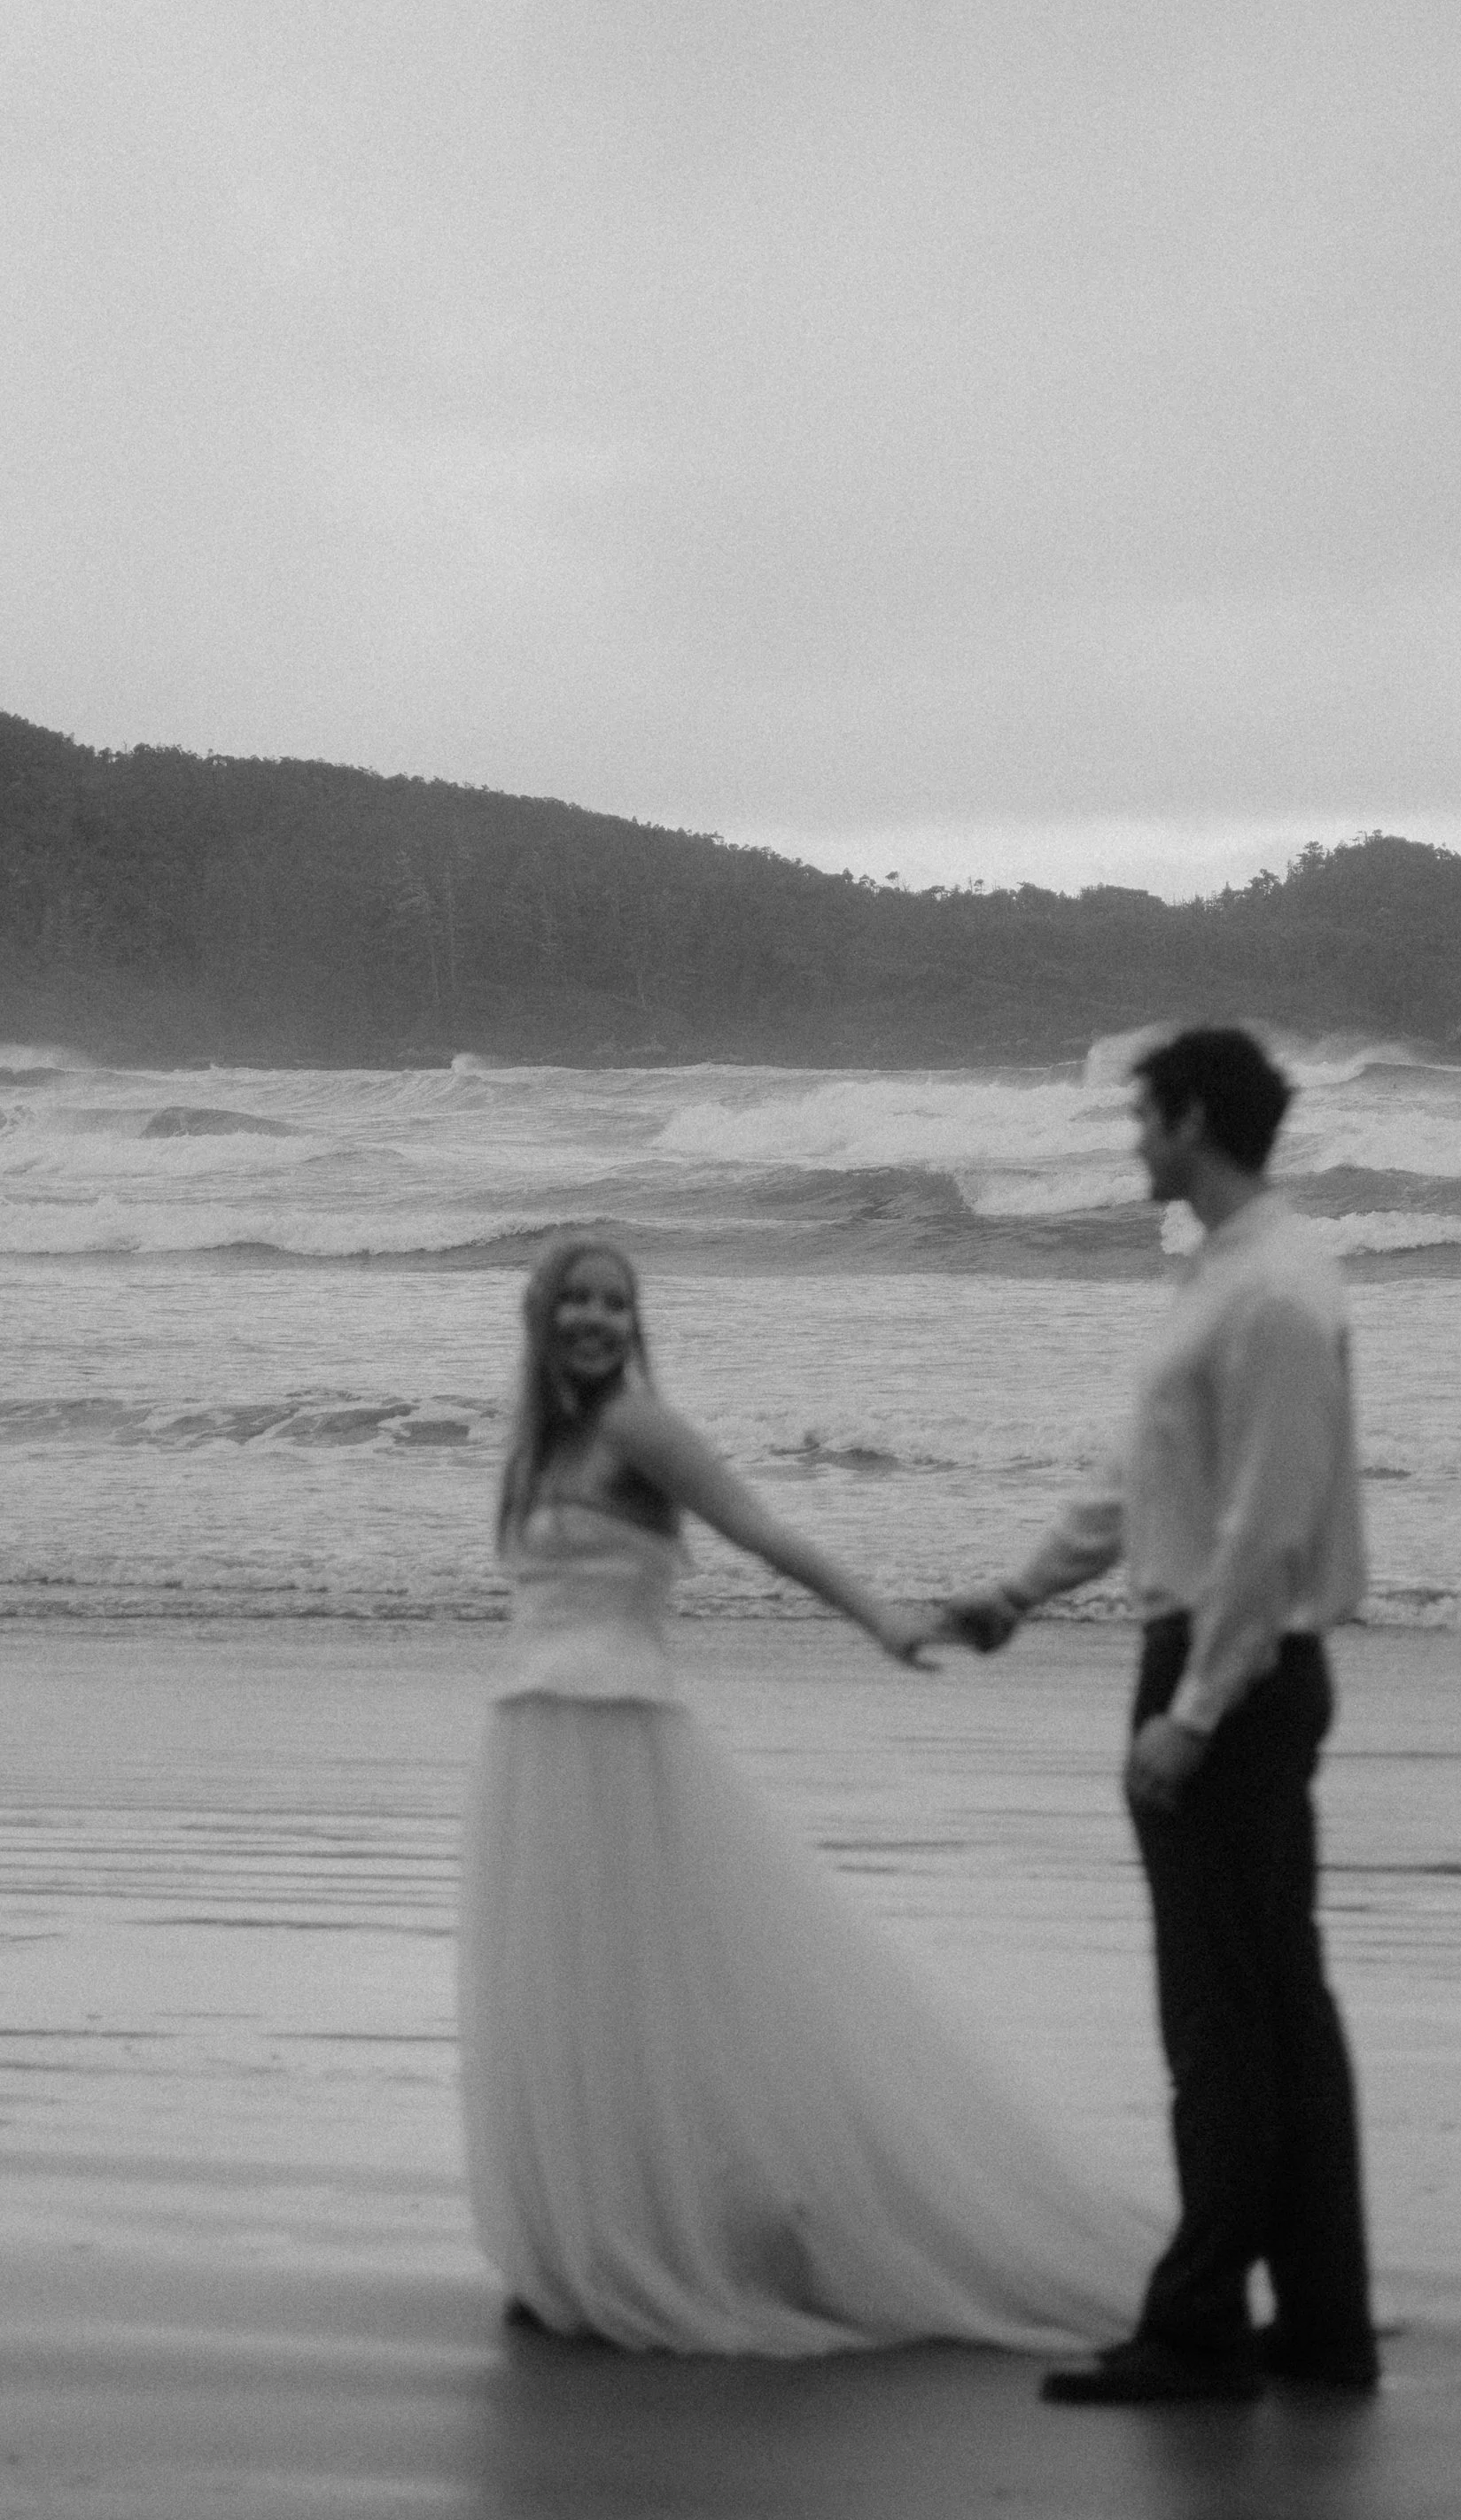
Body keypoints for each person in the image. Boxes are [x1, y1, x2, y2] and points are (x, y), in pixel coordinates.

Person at [460, 1233, 1151, 2356]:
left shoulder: (642, 1426)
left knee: (643, 1998)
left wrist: (879, 1620)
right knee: (567, 2003)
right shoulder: (539, 1443)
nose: (597, 1321)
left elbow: (761, 1530)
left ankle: (690, 2237)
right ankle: (589, 2242)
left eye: (616, 1306)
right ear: (541, 1317)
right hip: (533, 1738)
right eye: (578, 1302)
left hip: (618, 1737)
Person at [942, 1027, 1379, 2406]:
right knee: (1277, 2008)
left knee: (1224, 2022)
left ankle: (1200, 2326)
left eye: (1141, 1114)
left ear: (1193, 1118)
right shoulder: (1224, 1279)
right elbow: (1158, 1494)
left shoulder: (1275, 1293)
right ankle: (1317, 2321)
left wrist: (1191, 1710)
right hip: (1223, 1656)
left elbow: (1264, 1531)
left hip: (1232, 1673)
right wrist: (1020, 1591)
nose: (1130, 1139)